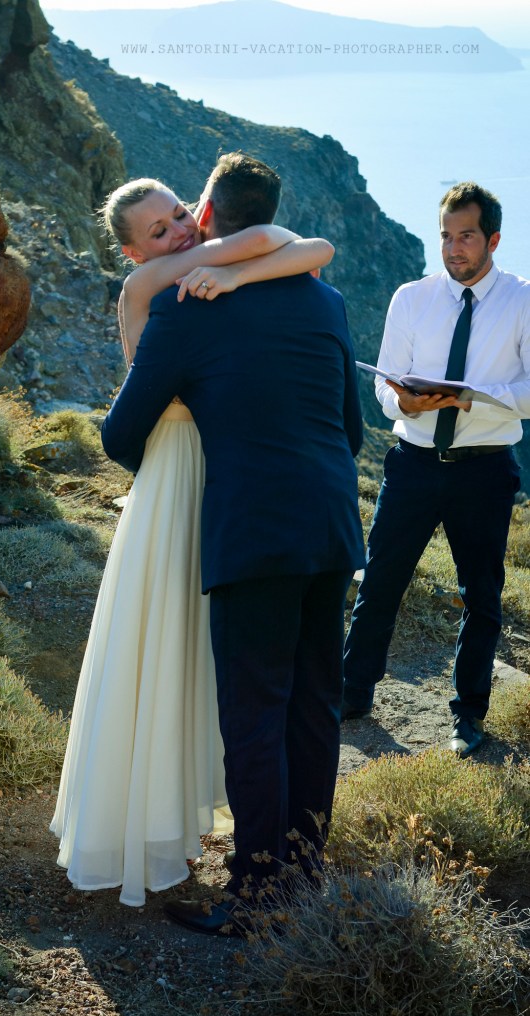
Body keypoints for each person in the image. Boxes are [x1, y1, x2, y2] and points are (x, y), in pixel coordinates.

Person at [50, 160, 335, 908]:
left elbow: (295, 242)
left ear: (202, 207)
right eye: (159, 227)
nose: (178, 229)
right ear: (132, 251)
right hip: (260, 503)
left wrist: (231, 276)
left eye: (180, 211)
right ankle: (292, 869)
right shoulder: (166, 291)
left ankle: (261, 884)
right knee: (294, 699)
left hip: (234, 504)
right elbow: (305, 252)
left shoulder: (199, 289)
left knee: (252, 700)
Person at [342, 181, 529, 758]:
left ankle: (467, 716)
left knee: (483, 596)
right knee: (379, 583)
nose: (453, 249)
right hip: (413, 465)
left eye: (466, 236)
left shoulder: (523, 301)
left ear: (493, 238)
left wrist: (471, 396)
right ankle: (352, 695)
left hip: (484, 470)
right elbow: (383, 379)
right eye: (446, 236)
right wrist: (405, 403)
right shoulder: (411, 298)